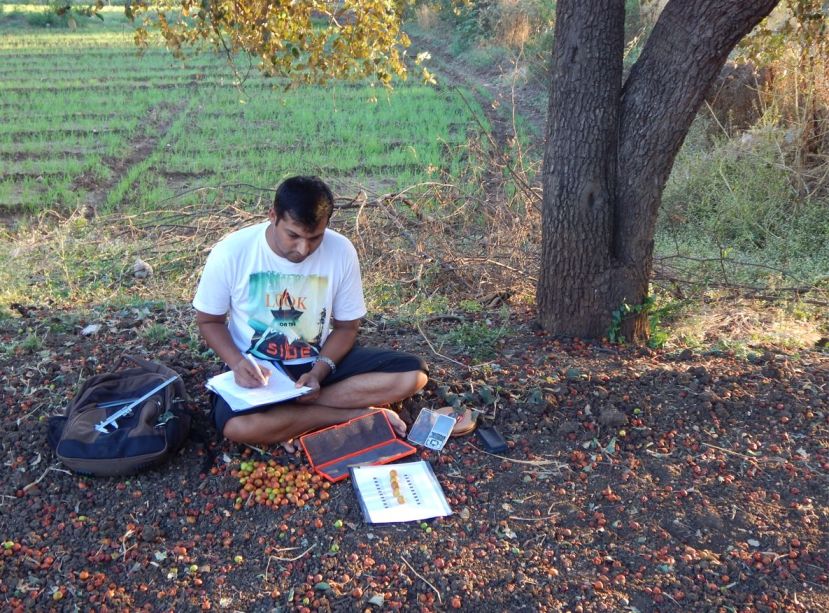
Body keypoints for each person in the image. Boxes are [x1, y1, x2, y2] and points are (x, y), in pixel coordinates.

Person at [193, 175, 428, 448]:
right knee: (237, 427)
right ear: (272, 216)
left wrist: (318, 374)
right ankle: (351, 415)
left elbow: (346, 327)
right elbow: (209, 320)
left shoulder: (341, 251)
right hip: (258, 370)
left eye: (314, 238)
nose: (303, 249)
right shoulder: (232, 251)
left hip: (319, 363)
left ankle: (287, 414)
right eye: (293, 235)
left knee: (413, 376)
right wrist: (236, 362)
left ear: (327, 224)